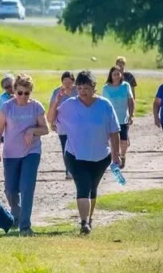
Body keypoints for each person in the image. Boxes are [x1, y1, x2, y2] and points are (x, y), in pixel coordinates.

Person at [49, 71, 121, 235]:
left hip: (100, 156)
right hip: (75, 156)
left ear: (94, 88)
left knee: (92, 189)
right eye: (80, 88)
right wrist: (56, 101)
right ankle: (84, 223)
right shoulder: (69, 105)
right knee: (83, 187)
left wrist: (116, 155)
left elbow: (114, 131)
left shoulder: (104, 105)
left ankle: (89, 219)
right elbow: (51, 119)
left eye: (86, 88)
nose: (82, 91)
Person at [0, 74, 48, 236]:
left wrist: (33, 130)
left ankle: (25, 226)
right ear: (14, 91)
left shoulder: (36, 107)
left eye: (26, 93)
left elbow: (46, 129)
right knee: (10, 189)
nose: (23, 97)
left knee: (27, 187)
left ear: (31, 92)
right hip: (10, 153)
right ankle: (15, 215)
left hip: (31, 152)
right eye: (20, 93)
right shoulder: (7, 107)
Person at [102, 66, 135, 168]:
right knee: (113, 141)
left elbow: (130, 100)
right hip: (111, 118)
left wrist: (131, 114)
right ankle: (115, 160)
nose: (116, 76)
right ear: (111, 76)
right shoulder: (106, 88)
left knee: (123, 140)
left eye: (118, 74)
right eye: (114, 74)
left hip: (123, 118)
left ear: (121, 75)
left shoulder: (125, 86)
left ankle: (123, 155)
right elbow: (104, 104)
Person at [49, 72, 76, 179]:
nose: (67, 85)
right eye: (65, 83)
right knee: (65, 148)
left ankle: (77, 169)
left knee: (76, 147)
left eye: (69, 82)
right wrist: (52, 122)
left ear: (73, 82)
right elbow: (53, 107)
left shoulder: (78, 91)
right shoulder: (57, 92)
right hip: (62, 126)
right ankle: (68, 170)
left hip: (77, 126)